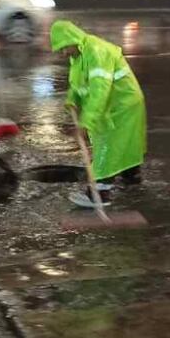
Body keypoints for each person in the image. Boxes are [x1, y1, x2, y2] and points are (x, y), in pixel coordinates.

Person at [50, 20, 147, 208]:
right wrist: (72, 100)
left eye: (64, 47)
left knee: (107, 145)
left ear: (73, 39)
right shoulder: (78, 55)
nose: (64, 53)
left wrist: (86, 123)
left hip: (122, 105)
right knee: (124, 143)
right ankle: (131, 178)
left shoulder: (96, 52)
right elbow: (78, 83)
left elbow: (99, 91)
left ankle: (99, 194)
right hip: (113, 104)